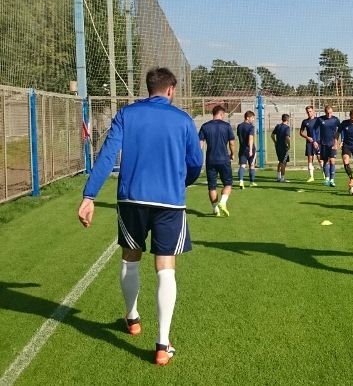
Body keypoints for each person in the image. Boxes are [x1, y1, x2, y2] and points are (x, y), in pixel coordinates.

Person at [77, 67, 203, 366]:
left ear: (149, 88)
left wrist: (89, 195)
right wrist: (181, 182)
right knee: (165, 267)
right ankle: (162, 344)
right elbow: (196, 163)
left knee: (130, 258)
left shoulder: (126, 114)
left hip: (132, 199)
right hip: (169, 203)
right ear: (170, 89)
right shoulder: (183, 119)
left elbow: (108, 154)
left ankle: (133, 318)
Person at [199, 105, 236, 216]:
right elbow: (232, 143)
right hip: (224, 159)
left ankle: (215, 209)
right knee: (228, 184)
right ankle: (223, 202)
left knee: (212, 186)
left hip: (210, 160)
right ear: (221, 114)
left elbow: (200, 144)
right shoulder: (226, 126)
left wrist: (198, 157)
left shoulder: (205, 126)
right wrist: (232, 154)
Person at [312, 104, 341, 187]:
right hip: (323, 144)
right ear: (325, 112)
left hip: (333, 143)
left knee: (332, 160)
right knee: (325, 161)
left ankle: (332, 180)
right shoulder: (320, 119)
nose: (329, 114)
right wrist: (315, 141)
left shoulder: (335, 120)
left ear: (332, 112)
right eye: (328, 113)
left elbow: (340, 130)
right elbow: (314, 129)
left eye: (330, 113)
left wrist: (340, 141)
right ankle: (327, 179)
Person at [299, 105, 324, 182]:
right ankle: (311, 177)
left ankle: (325, 175)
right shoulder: (305, 121)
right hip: (309, 143)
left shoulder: (318, 120)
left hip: (318, 142)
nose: (309, 113)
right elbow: (301, 133)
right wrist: (307, 137)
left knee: (320, 159)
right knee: (310, 159)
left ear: (313, 111)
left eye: (310, 111)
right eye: (307, 112)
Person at [236, 110, 257, 188]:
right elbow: (250, 138)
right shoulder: (251, 127)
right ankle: (251, 182)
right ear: (247, 118)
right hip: (250, 149)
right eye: (252, 118)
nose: (253, 119)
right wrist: (251, 149)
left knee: (242, 165)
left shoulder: (239, 126)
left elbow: (239, 136)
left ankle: (241, 181)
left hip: (242, 148)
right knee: (252, 165)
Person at [271, 113, 292, 182]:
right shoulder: (287, 127)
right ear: (288, 120)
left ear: (282, 119)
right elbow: (287, 137)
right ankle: (282, 178)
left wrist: (275, 142)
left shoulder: (278, 126)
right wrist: (289, 145)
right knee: (283, 162)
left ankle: (278, 177)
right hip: (284, 147)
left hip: (277, 146)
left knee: (280, 161)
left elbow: (272, 135)